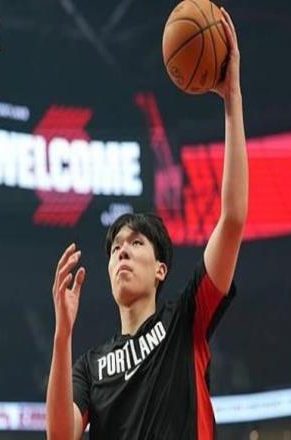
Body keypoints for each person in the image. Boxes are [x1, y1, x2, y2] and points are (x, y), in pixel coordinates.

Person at [46, 7, 247, 439]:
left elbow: (232, 219)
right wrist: (63, 334)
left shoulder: (185, 320)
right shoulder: (90, 367)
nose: (122, 249)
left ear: (160, 269)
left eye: (136, 242)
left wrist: (232, 98)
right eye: (117, 245)